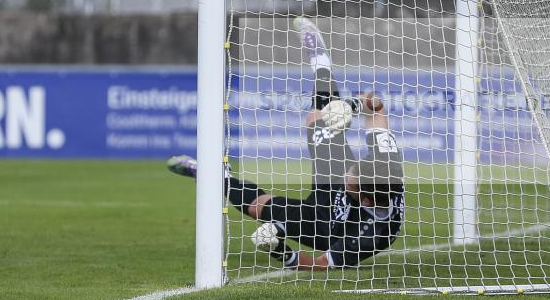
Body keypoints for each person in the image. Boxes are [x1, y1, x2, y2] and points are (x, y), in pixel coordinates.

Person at [167, 16, 405, 270]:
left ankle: (209, 174)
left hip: (325, 226)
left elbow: (319, 264)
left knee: (258, 208)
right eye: (354, 170)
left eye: (352, 180)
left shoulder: (373, 236)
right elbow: (377, 106)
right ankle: (319, 57)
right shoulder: (385, 161)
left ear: (366, 201)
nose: (349, 174)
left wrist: (281, 252)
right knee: (319, 118)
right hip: (334, 186)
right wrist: (352, 106)